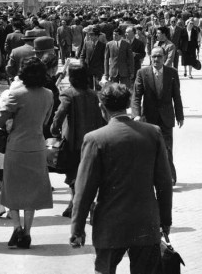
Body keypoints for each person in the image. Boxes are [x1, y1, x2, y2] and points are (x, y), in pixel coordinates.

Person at [71, 82, 173, 274]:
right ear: (127, 104)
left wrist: (77, 229)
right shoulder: (153, 132)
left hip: (110, 224)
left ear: (102, 107)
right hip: (146, 222)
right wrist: (165, 220)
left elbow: (84, 190)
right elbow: (164, 183)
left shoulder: (95, 139)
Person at [0, 57, 55, 249]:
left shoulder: (16, 94)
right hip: (37, 145)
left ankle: (17, 228)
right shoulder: (48, 94)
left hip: (16, 146)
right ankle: (28, 232)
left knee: (12, 189)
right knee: (31, 191)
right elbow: (46, 120)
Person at [51, 62, 106, 218]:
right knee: (87, 173)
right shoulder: (94, 94)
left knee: (74, 174)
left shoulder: (68, 94)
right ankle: (77, 204)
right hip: (93, 141)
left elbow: (60, 113)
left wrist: (54, 129)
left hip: (73, 142)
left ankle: (79, 205)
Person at [132, 47, 184, 185]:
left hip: (166, 117)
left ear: (164, 57)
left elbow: (176, 95)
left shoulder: (172, 73)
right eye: (153, 56)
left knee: (167, 148)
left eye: (159, 56)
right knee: (149, 149)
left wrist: (180, 115)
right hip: (148, 118)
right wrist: (136, 114)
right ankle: (149, 177)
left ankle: (170, 177)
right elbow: (136, 96)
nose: (156, 59)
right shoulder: (142, 73)